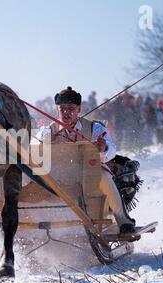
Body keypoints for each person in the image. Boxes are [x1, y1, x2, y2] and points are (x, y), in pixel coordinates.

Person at [40, 86, 136, 234]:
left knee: (103, 175)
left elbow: (111, 152)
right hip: (58, 177)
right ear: (56, 110)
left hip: (89, 175)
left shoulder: (94, 128)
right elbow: (36, 151)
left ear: (79, 109)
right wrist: (45, 141)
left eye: (71, 108)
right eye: (63, 108)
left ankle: (122, 219)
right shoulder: (47, 131)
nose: (66, 112)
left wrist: (102, 148)